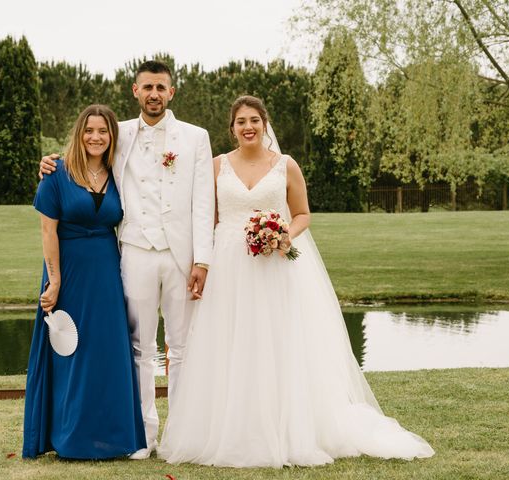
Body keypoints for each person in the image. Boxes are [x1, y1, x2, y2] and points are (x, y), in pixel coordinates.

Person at [158, 95, 435, 467]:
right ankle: (230, 427)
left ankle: (286, 426)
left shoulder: (285, 165)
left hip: (274, 265)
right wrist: (202, 262)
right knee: (229, 341)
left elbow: (303, 213)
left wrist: (283, 233)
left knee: (277, 341)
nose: (248, 127)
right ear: (232, 128)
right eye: (241, 121)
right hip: (228, 265)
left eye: (254, 120)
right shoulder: (216, 166)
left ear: (265, 123)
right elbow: (206, 217)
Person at [39, 60, 215, 459]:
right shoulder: (119, 134)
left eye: (161, 87)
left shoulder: (195, 138)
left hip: (181, 255)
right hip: (134, 251)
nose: (154, 93)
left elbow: (204, 202)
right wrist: (50, 163)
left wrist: (202, 260)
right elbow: (86, 156)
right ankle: (144, 434)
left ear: (172, 92)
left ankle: (180, 434)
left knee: (181, 346)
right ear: (135, 91)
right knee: (138, 347)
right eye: (147, 87)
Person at [23, 104, 146, 460]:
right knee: (70, 352)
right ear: (79, 134)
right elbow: (48, 230)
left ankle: (113, 438)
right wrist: (55, 280)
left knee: (107, 354)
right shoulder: (57, 172)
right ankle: (71, 438)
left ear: (112, 136)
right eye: (89, 130)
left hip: (108, 272)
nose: (96, 137)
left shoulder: (119, 173)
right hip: (69, 273)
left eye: (103, 131)